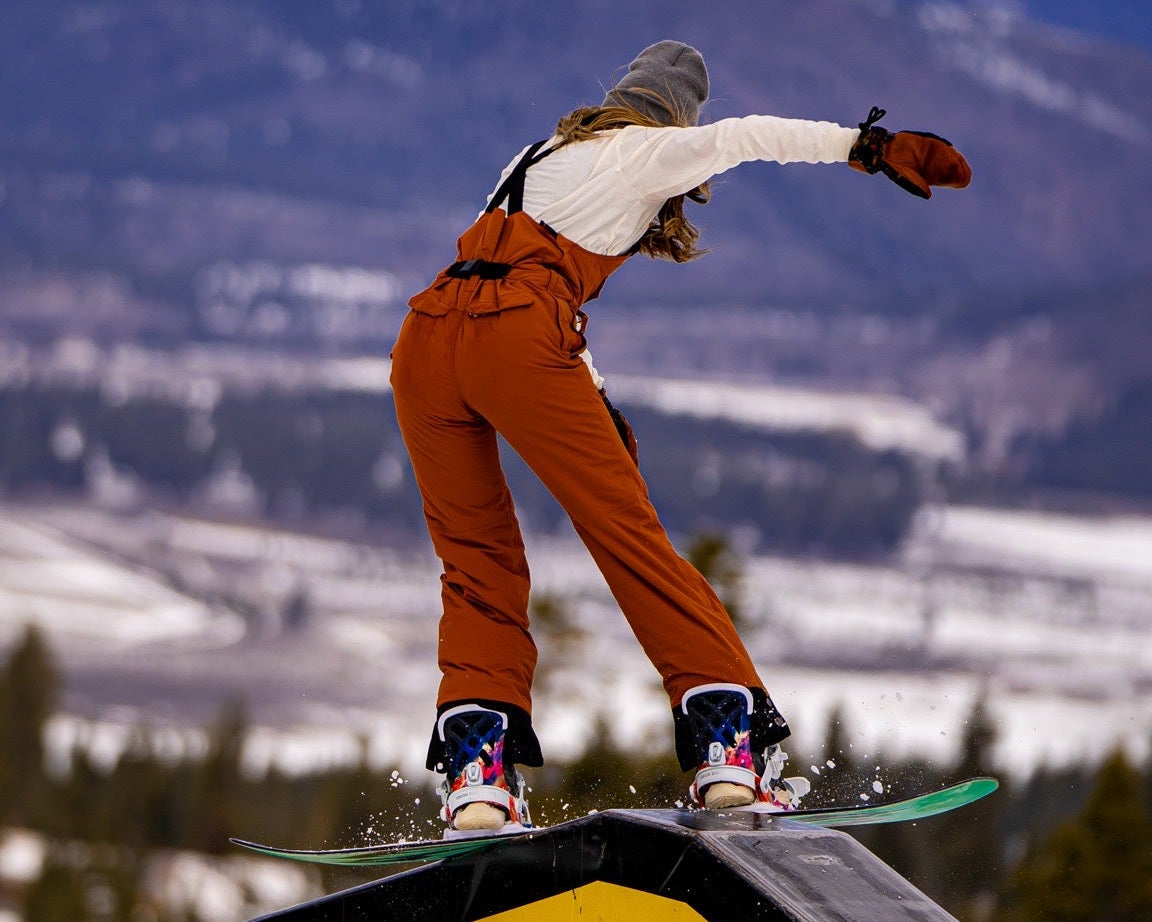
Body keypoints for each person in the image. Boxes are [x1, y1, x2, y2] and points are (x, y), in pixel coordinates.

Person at [389, 40, 971, 832]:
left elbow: (500, 285)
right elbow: (747, 137)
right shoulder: (648, 150)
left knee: (475, 559)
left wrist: (588, 388)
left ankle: (477, 777)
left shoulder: (541, 153)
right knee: (631, 540)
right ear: (670, 112)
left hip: (425, 339)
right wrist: (862, 147)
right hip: (516, 340)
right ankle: (724, 751)